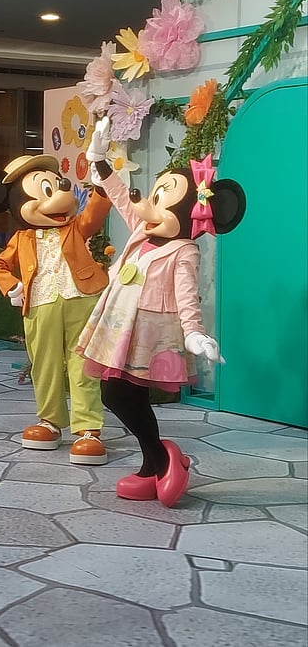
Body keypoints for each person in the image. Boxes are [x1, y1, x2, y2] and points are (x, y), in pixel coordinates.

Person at [78, 117, 245, 507]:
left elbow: (188, 296)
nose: (147, 205)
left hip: (151, 335)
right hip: (120, 327)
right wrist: (98, 158)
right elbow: (121, 195)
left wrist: (194, 332)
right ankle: (157, 461)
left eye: (160, 200)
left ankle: (158, 460)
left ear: (188, 214)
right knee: (115, 394)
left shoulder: (183, 250)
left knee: (122, 394)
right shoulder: (142, 229)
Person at [0, 154, 112, 465]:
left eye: (57, 188)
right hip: (40, 304)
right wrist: (11, 285)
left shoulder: (74, 228)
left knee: (83, 364)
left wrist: (101, 183)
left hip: (80, 299)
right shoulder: (22, 237)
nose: (57, 198)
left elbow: (93, 215)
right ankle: (50, 421)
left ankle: (87, 429)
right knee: (44, 365)